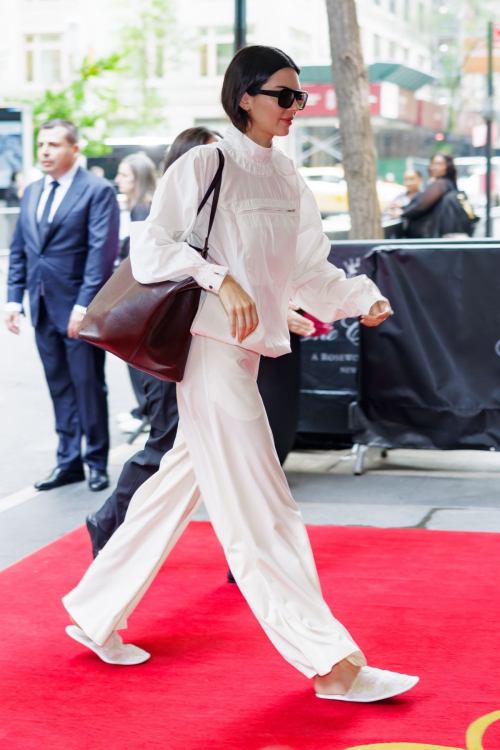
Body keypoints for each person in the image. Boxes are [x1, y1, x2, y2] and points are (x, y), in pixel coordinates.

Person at [63, 46, 418, 703]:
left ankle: (94, 609)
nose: (294, 109)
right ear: (245, 97)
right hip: (209, 350)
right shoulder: (207, 161)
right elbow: (153, 245)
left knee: (175, 488)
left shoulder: (286, 177)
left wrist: (357, 298)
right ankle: (331, 665)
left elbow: (309, 268)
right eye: (283, 95)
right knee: (265, 508)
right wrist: (217, 277)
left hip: (246, 351)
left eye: (298, 97)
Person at [86, 129, 219, 555]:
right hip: (161, 345)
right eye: (210, 154)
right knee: (167, 441)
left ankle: (244, 554)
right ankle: (108, 519)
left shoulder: (210, 210)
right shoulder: (166, 211)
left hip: (203, 344)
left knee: (216, 444)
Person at [5, 119, 119, 492]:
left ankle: (96, 461)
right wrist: (12, 299)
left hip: (77, 309)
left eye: (53, 145)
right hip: (40, 305)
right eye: (41, 145)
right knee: (59, 386)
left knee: (88, 385)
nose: (44, 152)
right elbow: (22, 250)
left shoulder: (97, 190)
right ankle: (68, 461)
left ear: (74, 148)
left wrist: (83, 305)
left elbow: (100, 254)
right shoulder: (33, 191)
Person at [112, 153, 159, 433]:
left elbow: (139, 256)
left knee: (137, 356)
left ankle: (145, 412)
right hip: (142, 294)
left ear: (138, 178)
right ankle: (143, 410)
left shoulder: (143, 207)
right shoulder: (142, 206)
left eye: (125, 175)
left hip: (140, 296)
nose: (118, 179)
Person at [402, 153, 462, 238]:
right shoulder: (449, 183)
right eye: (433, 163)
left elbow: (421, 206)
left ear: (448, 166)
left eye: (439, 164)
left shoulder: (441, 183)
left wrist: (402, 213)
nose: (434, 167)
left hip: (430, 237)